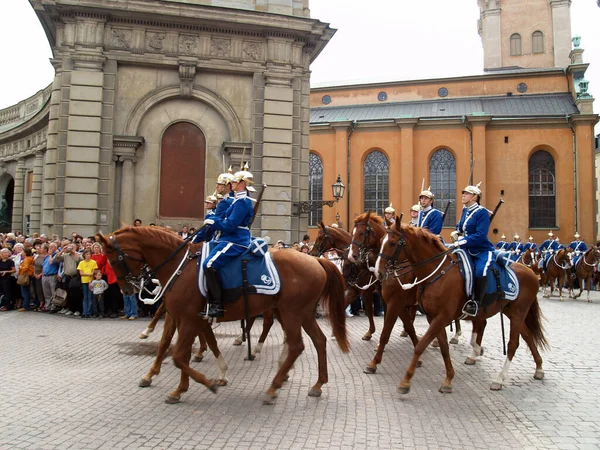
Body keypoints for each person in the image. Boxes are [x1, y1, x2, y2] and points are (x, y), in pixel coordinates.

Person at [201, 166, 255, 317]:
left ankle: (217, 305)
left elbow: (230, 225)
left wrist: (214, 223)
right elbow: (223, 218)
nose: (232, 184)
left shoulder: (242, 202)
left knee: (209, 264)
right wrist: (213, 220)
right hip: (227, 238)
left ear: (243, 183)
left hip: (236, 240)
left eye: (235, 182)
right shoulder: (236, 201)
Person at [448, 182, 494, 317]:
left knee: (480, 271)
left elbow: (480, 235)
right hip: (466, 248)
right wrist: (456, 232)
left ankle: (475, 303)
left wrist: (461, 241)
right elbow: (461, 227)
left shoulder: (482, 213)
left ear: (474, 197)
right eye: (463, 193)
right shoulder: (465, 210)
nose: (463, 195)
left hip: (482, 250)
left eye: (466, 193)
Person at [53, 242, 83, 315]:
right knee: (68, 294)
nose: (71, 248)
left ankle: (78, 309)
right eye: (70, 247)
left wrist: (74, 253)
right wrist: (62, 251)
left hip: (76, 276)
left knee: (76, 294)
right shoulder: (65, 255)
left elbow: (80, 261)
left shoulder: (79, 255)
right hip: (67, 276)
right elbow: (55, 259)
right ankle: (70, 309)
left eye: (72, 247)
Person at [77, 249, 98, 318]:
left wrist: (90, 278)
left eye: (89, 254)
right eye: (87, 254)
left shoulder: (93, 262)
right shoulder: (81, 263)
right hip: (84, 281)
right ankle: (84, 312)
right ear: (84, 255)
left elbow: (93, 273)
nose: (88, 256)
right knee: (85, 297)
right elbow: (81, 273)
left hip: (91, 281)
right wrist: (89, 274)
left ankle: (89, 312)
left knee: (90, 297)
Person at [16, 247, 34, 312]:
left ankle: (25, 306)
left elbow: (25, 268)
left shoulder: (26, 259)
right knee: (26, 291)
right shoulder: (30, 258)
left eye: (23, 251)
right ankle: (26, 305)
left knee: (24, 291)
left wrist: (20, 267)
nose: (22, 253)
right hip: (29, 275)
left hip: (25, 275)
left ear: (25, 252)